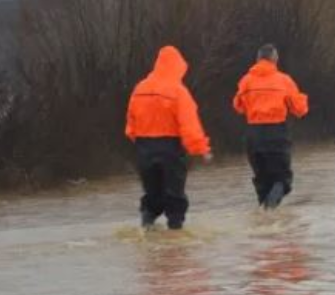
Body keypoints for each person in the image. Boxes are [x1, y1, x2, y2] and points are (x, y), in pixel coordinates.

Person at [125, 46, 213, 230]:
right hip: (170, 149)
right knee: (175, 198)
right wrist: (201, 149)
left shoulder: (140, 88)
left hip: (144, 147)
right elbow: (189, 125)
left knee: (152, 195)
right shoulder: (178, 91)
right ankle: (175, 238)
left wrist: (140, 143)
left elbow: (131, 124)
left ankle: (146, 229)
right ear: (177, 67)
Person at [233, 44, 309, 209]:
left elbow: (238, 106)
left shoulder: (246, 81)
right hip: (276, 133)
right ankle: (270, 214)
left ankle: (263, 218)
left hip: (253, 135)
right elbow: (300, 110)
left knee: (262, 183)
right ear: (275, 59)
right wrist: (302, 98)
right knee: (282, 180)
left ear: (257, 59)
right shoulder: (284, 80)